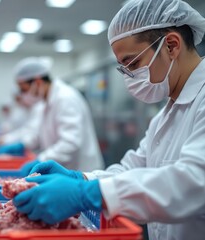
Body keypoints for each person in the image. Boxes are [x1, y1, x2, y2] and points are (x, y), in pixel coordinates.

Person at [13, 0, 205, 239]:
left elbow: (195, 182)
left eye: (133, 63)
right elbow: (133, 168)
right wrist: (81, 179)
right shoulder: (166, 113)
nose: (130, 78)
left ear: (172, 45)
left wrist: (87, 193)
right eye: (124, 68)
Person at [0, 57, 104, 174]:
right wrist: (22, 145)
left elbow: (70, 143)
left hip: (82, 173)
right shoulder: (44, 102)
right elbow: (38, 133)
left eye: (24, 89)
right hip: (64, 172)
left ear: (37, 82)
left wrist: (41, 159)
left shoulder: (65, 98)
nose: (23, 95)